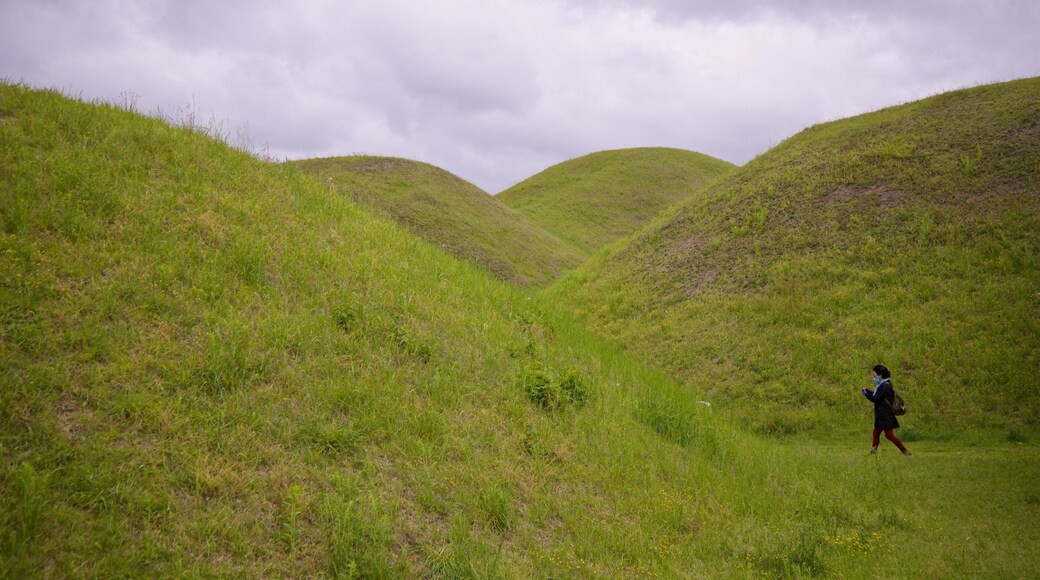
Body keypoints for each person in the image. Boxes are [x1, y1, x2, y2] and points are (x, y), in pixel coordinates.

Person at [861, 364, 911, 456]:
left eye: (875, 375)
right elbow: (878, 396)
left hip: (885, 415)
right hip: (881, 414)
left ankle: (905, 451)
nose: (874, 377)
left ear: (880, 375)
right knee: (876, 433)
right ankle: (873, 452)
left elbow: (875, 398)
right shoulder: (883, 385)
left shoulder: (885, 386)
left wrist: (865, 394)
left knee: (889, 435)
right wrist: (868, 391)